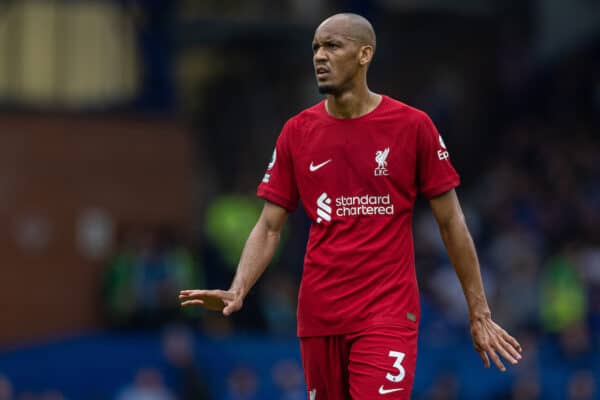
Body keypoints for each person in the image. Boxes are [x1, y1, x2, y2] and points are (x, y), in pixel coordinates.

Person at [180, 13, 522, 399]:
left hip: (386, 314)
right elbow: (270, 226)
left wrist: (478, 312)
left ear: (364, 55)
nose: (319, 57)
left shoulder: (412, 127)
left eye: (332, 46)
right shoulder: (297, 132)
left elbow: (452, 222)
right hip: (319, 316)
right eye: (315, 48)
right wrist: (238, 288)